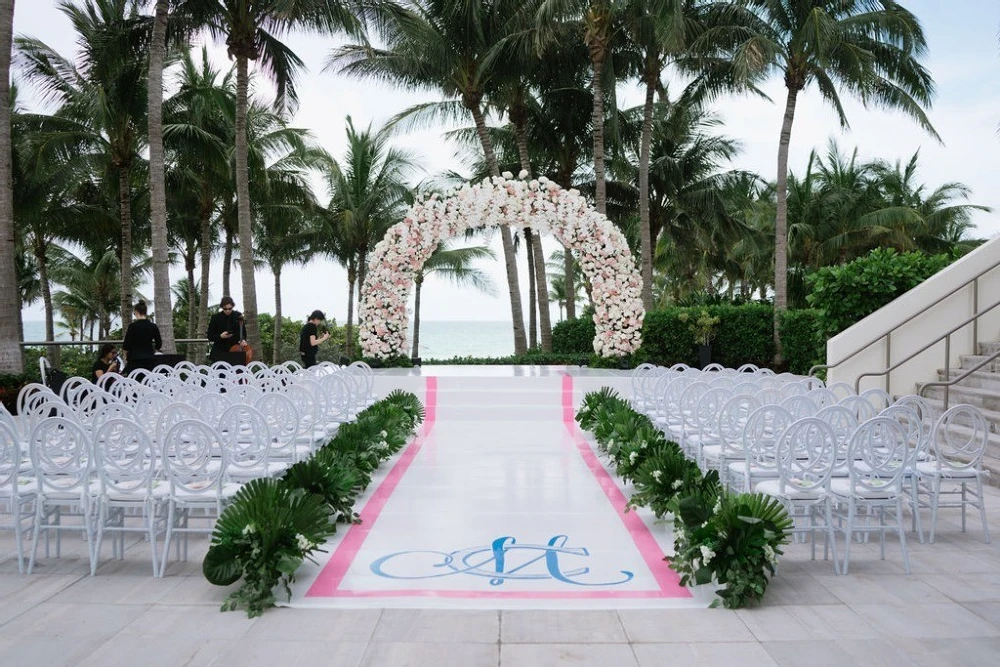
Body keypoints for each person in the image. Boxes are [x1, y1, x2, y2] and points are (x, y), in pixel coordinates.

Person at [207, 296, 247, 362]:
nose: (228, 311)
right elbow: (210, 336)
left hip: (235, 351)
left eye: (230, 308)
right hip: (220, 352)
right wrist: (220, 336)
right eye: (225, 309)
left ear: (232, 306)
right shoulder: (215, 318)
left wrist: (242, 340)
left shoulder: (238, 316)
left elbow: (243, 333)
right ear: (222, 307)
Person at [122, 300, 162, 365]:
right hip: (149, 359)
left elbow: (126, 345)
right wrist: (153, 351)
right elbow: (159, 344)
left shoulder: (132, 326)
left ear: (136, 312)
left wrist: (126, 358)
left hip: (134, 359)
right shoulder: (153, 326)